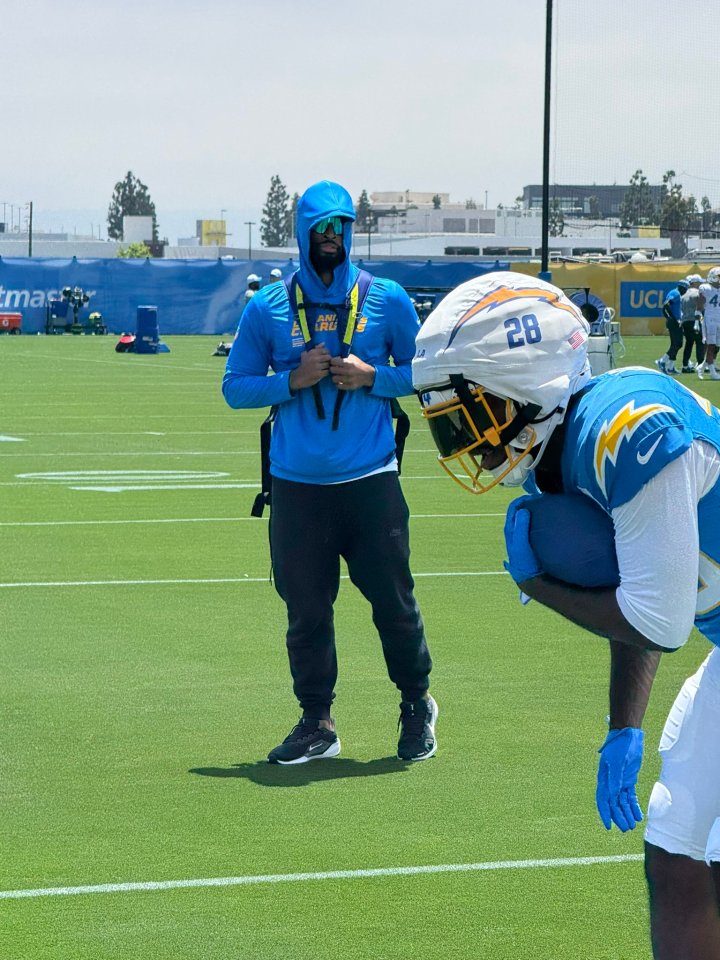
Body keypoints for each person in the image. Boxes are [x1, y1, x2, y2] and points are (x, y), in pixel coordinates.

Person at [412, 271, 720, 960]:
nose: (467, 439)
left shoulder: (631, 428)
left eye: (471, 412)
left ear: (525, 381)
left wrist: (538, 582)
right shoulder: (567, 449)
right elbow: (644, 586)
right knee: (677, 843)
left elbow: (659, 622)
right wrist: (624, 727)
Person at [222, 179, 436, 765]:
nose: (329, 239)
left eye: (339, 227)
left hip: (370, 483)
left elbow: (425, 377)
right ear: (301, 232)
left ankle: (416, 704)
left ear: (349, 231)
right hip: (297, 489)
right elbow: (234, 389)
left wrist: (372, 376)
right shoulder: (266, 306)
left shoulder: (386, 298)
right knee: (306, 611)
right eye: (319, 228)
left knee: (394, 602)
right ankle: (317, 720)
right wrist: (289, 381)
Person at [656, 279, 687, 374]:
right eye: (685, 289)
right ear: (682, 287)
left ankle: (671, 366)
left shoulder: (675, 292)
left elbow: (667, 306)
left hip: (675, 321)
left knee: (678, 344)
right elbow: (666, 304)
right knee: (676, 344)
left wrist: (669, 317)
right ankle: (662, 361)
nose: (685, 291)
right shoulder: (676, 293)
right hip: (674, 322)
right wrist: (673, 318)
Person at [697, 267, 720, 380]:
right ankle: (712, 372)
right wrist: (697, 319)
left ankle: (702, 367)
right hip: (710, 318)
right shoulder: (706, 288)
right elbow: (700, 304)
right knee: (711, 345)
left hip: (719, 318)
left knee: (717, 346)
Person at [680, 274, 705, 373]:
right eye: (699, 282)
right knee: (700, 343)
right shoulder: (698, 293)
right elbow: (702, 306)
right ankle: (700, 364)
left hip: (686, 321)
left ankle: (685, 365)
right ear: (695, 283)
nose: (700, 284)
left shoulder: (683, 295)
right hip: (695, 321)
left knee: (689, 343)